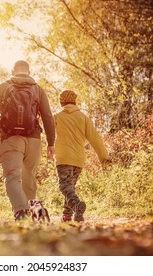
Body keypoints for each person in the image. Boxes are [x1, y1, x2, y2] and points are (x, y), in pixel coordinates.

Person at [0, 60, 55, 221]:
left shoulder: (3, 86)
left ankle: (21, 210)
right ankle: (35, 210)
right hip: (34, 139)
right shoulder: (38, 89)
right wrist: (51, 143)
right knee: (29, 176)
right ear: (29, 71)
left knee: (12, 176)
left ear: (12, 71)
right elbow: (48, 117)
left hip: (11, 137)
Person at [54, 90, 110, 222]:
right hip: (78, 159)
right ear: (75, 101)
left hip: (63, 157)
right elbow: (95, 139)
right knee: (70, 187)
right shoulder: (83, 118)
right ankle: (67, 216)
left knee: (64, 186)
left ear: (61, 101)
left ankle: (76, 205)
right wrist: (104, 158)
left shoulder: (56, 116)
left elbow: (48, 134)